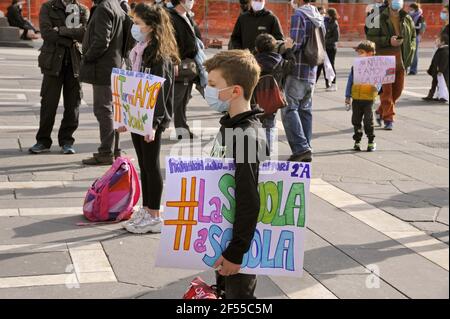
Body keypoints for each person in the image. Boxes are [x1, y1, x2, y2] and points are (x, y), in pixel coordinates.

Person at [204, 50, 266, 299]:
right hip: (224, 234)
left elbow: (249, 197)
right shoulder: (231, 126)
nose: (207, 91)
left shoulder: (247, 136)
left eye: (212, 85)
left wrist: (236, 251)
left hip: (237, 243)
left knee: (239, 299)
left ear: (235, 91)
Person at [120, 3, 179, 234]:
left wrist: (154, 124)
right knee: (144, 165)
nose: (134, 27)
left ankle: (154, 214)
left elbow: (160, 92)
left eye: (137, 23)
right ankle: (146, 208)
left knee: (151, 165)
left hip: (151, 119)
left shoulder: (158, 54)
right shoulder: (140, 49)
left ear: (151, 27)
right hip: (138, 116)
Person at [29, 0, 88, 155]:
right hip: (53, 62)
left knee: (73, 105)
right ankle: (43, 141)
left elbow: (85, 34)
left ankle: (67, 141)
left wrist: (60, 30)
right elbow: (47, 33)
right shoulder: (48, 7)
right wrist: (71, 37)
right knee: (49, 103)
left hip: (75, 63)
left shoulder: (82, 9)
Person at [80, 0, 125, 165]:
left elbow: (101, 41)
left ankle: (106, 152)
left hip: (103, 68)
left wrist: (87, 57)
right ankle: (114, 150)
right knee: (112, 110)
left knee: (103, 109)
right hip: (115, 64)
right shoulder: (115, 6)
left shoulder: (103, 8)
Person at [281, 0, 324, 163]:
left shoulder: (299, 15)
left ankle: (301, 148)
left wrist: (287, 46)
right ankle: (306, 147)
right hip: (312, 70)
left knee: (289, 108)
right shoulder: (317, 15)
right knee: (305, 109)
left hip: (298, 69)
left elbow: (296, 43)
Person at [366, 0, 416, 131]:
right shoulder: (376, 14)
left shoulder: (407, 17)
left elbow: (413, 37)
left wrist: (410, 50)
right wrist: (388, 41)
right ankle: (389, 119)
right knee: (386, 92)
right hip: (384, 58)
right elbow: (369, 37)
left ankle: (379, 111)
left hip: (400, 60)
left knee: (398, 91)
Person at [254, 33, 295, 154]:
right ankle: (267, 153)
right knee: (269, 126)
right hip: (273, 101)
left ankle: (255, 152)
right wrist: (289, 49)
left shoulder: (253, 62)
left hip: (255, 101)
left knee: (254, 126)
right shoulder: (280, 62)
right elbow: (292, 64)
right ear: (274, 48)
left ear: (257, 48)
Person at [168, 0, 202, 140]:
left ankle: (182, 130)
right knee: (175, 100)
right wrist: (174, 60)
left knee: (183, 100)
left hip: (190, 65)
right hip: (180, 65)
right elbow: (169, 41)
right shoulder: (171, 17)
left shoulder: (187, 16)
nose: (192, 2)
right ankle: (155, 126)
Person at [345, 41, 379, 153]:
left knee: (368, 121)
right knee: (356, 120)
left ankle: (371, 141)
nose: (359, 54)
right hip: (356, 98)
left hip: (368, 98)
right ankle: (357, 141)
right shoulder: (355, 66)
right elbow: (350, 81)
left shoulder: (374, 66)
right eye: (358, 52)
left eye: (362, 52)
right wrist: (347, 96)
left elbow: (379, 81)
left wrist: (376, 87)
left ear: (370, 53)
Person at [423, 5, 449, 102]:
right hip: (440, 51)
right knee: (437, 75)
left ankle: (443, 95)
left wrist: (442, 43)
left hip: (445, 53)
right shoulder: (444, 26)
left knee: (443, 74)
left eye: (445, 12)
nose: (443, 13)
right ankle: (437, 94)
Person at [316, 8, 340, 91]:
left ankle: (333, 84)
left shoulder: (334, 24)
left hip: (330, 48)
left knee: (330, 66)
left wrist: (325, 41)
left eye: (326, 13)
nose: (324, 14)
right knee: (319, 65)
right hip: (323, 48)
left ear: (330, 14)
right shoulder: (325, 21)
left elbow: (336, 38)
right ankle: (314, 83)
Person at [407, 2, 425, 75]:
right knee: (407, 53)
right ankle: (406, 68)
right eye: (409, 9)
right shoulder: (408, 16)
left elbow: (421, 27)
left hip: (415, 36)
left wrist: (411, 27)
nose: (410, 10)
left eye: (411, 9)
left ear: (415, 9)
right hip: (408, 36)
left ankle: (413, 70)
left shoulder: (420, 17)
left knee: (414, 54)